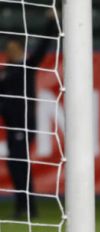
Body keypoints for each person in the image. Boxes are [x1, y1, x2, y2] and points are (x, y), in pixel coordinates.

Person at [0, 13, 57, 219]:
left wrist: (51, 23)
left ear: (20, 49)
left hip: (24, 126)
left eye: (14, 47)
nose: (10, 50)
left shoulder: (26, 66)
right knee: (15, 166)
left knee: (21, 165)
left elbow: (43, 47)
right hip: (11, 127)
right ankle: (21, 206)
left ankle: (29, 207)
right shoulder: (5, 72)